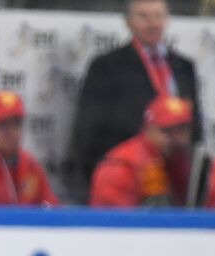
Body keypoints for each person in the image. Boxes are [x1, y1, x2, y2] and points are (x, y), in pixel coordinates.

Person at [68, 0, 200, 203]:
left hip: (177, 180)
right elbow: (88, 132)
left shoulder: (184, 67)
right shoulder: (107, 67)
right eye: (143, 16)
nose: (152, 23)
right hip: (128, 177)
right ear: (128, 22)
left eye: (158, 15)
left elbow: (195, 126)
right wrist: (107, 172)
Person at [90, 95, 196, 207]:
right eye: (167, 131)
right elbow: (115, 221)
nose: (178, 139)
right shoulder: (121, 166)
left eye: (183, 130)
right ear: (148, 129)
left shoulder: (181, 160)